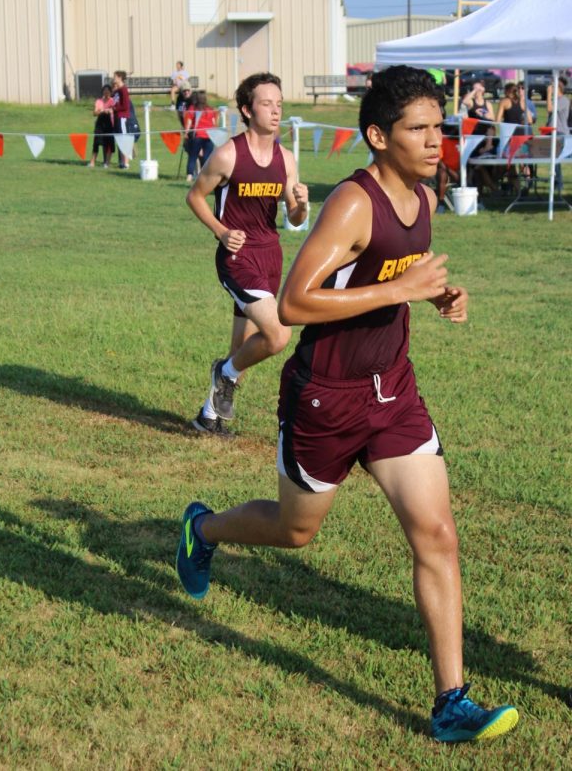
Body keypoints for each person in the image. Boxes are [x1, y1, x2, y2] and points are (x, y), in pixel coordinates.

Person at [177, 66, 519, 743]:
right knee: (295, 531)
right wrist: (403, 291)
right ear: (376, 136)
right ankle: (203, 531)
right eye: (417, 129)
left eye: (438, 127)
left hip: (393, 391)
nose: (434, 141)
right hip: (325, 398)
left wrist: (440, 294)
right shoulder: (354, 204)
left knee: (437, 535)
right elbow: (299, 302)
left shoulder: (423, 195)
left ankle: (451, 702)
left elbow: (391, 276)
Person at [186, 72, 309, 436]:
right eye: (267, 103)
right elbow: (194, 196)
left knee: (241, 345)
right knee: (278, 335)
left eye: (279, 104)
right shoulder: (227, 155)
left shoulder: (286, 159)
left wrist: (301, 205)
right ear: (247, 109)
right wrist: (222, 232)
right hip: (237, 259)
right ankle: (224, 373)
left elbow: (296, 219)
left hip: (271, 255)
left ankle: (209, 416)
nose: (276, 110)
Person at [183, 91, 217, 183]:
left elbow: (189, 123)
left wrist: (186, 133)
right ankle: (205, 176)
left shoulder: (192, 108)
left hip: (197, 135)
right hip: (209, 136)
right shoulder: (210, 109)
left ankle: (189, 176)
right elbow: (214, 124)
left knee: (193, 156)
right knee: (207, 157)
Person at [547, 76, 570, 196]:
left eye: (552, 87)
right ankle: (556, 181)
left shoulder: (563, 100)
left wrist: (548, 95)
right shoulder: (556, 99)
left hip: (560, 133)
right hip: (552, 132)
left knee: (555, 158)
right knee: (553, 159)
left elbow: (550, 109)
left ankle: (558, 182)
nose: (550, 88)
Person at [88, 84, 115, 168]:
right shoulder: (99, 101)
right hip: (100, 124)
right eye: (104, 91)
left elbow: (114, 110)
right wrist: (102, 111)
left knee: (109, 144)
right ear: (102, 92)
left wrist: (109, 110)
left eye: (108, 91)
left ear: (111, 92)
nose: (106, 92)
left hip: (110, 124)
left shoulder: (113, 101)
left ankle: (107, 163)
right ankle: (92, 162)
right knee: (96, 143)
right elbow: (94, 113)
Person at [111, 70, 132, 169]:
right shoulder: (116, 91)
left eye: (115, 76)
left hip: (122, 117)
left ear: (119, 78)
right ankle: (122, 162)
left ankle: (126, 163)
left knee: (124, 139)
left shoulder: (123, 90)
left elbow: (125, 105)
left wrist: (114, 108)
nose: (113, 78)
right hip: (116, 118)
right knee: (119, 139)